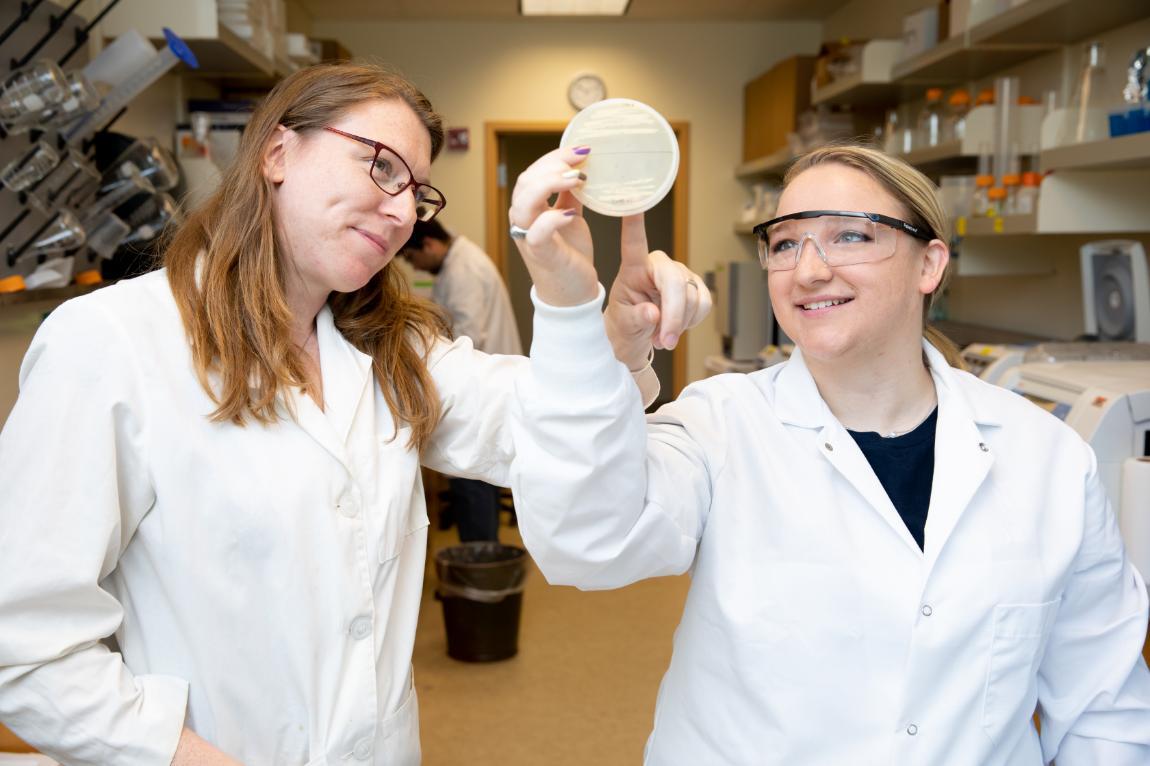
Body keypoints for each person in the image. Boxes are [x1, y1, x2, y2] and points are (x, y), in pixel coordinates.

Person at [0, 62, 706, 765]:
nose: (403, 212)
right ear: (278, 152)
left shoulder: (395, 351)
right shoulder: (113, 341)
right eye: (379, 167)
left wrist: (595, 320)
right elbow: (24, 642)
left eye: (417, 193)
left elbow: (550, 429)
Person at [506, 143, 1150, 764]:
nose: (809, 270)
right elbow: (583, 543)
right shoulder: (721, 423)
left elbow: (1105, 708)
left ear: (930, 265)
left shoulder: (1049, 459)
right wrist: (572, 315)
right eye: (786, 243)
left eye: (852, 235)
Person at [400, 219, 521, 542]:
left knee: (473, 484)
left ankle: (478, 563)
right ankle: (481, 556)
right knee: (478, 481)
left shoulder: (462, 270)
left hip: (479, 389)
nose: (418, 268)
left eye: (413, 259)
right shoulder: (457, 263)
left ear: (428, 246)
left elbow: (468, 333)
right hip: (484, 386)